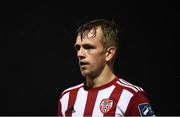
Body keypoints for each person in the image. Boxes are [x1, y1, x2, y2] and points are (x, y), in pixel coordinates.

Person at [57, 19, 155, 116]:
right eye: (78, 48)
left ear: (109, 53)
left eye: (88, 47)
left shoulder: (131, 96)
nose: (80, 54)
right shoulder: (67, 97)